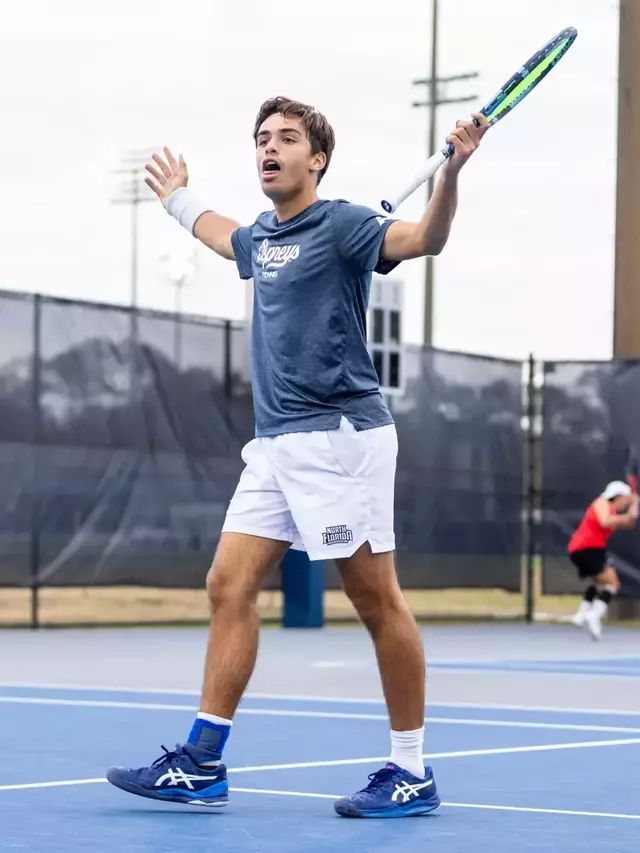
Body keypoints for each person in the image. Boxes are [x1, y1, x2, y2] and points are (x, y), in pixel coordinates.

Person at [107, 96, 488, 817]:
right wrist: (176, 198)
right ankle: (202, 760)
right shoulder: (263, 238)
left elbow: (424, 240)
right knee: (228, 583)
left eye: (286, 138)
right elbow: (223, 236)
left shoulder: (346, 225)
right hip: (276, 445)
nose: (269, 148)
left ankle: (410, 768)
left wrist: (454, 171)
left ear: (317, 159)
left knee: (376, 600)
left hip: (341, 438)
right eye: (261, 140)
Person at [568, 480, 639, 640]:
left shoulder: (614, 512)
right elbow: (605, 521)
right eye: (625, 500)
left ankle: (581, 614)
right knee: (613, 583)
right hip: (586, 548)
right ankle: (594, 615)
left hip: (587, 549)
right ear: (617, 496)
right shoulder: (601, 503)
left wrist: (634, 505)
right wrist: (629, 512)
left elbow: (629, 522)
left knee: (599, 583)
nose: (625, 504)